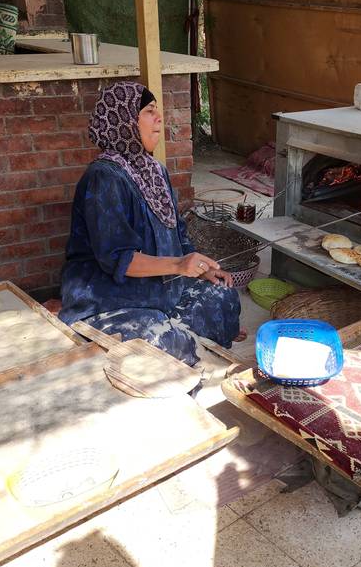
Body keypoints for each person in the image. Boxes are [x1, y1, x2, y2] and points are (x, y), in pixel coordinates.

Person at [59, 81, 240, 365]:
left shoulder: (155, 171)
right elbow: (117, 258)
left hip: (162, 287)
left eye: (157, 111)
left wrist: (200, 268)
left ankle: (191, 340)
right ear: (124, 120)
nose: (159, 119)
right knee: (163, 341)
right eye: (149, 111)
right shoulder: (104, 177)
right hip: (110, 296)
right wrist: (179, 266)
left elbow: (178, 233)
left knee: (222, 296)